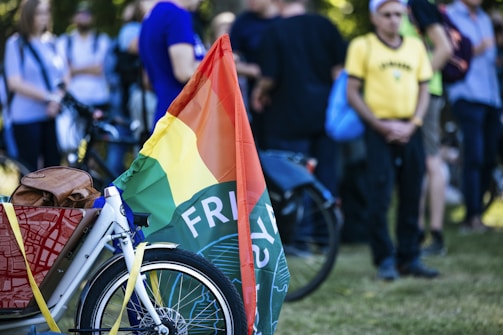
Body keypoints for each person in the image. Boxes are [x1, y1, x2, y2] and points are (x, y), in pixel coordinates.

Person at [346, 0, 438, 280]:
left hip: (410, 130)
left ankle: (410, 257)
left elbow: (425, 89)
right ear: (375, 17)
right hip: (378, 131)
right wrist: (378, 124)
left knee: (412, 194)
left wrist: (414, 124)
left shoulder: (416, 46)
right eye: (386, 15)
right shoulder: (362, 46)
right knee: (379, 196)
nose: (393, 20)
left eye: (398, 14)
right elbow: (352, 92)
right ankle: (385, 258)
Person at [252, 0, 346, 198]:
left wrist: (259, 92)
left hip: (287, 121)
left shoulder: (274, 31)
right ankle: (327, 226)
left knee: (293, 184)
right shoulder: (325, 25)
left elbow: (269, 78)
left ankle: (302, 229)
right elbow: (339, 73)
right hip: (325, 116)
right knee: (326, 180)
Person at [401, 0, 453, 256]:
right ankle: (418, 232)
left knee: (431, 160)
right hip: (423, 93)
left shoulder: (418, 4)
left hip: (426, 95)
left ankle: (436, 235)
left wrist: (417, 82)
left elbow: (444, 48)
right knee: (421, 162)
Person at [445, 0, 502, 232]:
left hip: (491, 96)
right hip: (467, 94)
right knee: (475, 156)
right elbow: (451, 54)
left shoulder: (486, 19)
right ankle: (472, 216)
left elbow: (491, 61)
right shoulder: (449, 16)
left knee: (489, 157)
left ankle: (477, 212)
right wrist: (480, 47)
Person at [4, 0, 68, 171]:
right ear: (29, 15)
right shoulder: (15, 44)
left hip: (51, 115)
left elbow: (65, 76)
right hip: (26, 117)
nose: (43, 17)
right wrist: (49, 97)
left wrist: (57, 100)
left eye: (46, 12)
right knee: (30, 172)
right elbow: (15, 83)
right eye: (39, 13)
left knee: (53, 170)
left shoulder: (53, 42)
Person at [139, 0, 206, 130]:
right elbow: (184, 72)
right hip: (184, 119)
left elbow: (147, 80)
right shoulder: (176, 15)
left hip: (164, 115)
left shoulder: (149, 18)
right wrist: (219, 61)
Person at [229, 0, 280, 147]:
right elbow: (230, 59)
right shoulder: (242, 22)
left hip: (284, 96)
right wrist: (252, 70)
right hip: (254, 98)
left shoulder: (284, 19)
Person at [58, 2, 111, 112]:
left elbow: (98, 69)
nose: (83, 17)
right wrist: (87, 68)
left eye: (86, 14)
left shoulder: (102, 40)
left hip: (98, 98)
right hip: (74, 100)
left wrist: (74, 70)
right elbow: (64, 70)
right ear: (73, 17)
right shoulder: (64, 41)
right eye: (79, 14)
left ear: (93, 18)